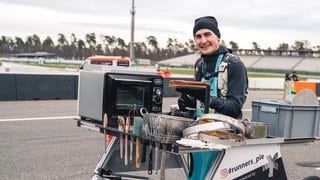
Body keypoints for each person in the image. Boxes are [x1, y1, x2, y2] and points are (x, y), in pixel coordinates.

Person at [177, 16, 248, 179]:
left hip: (226, 139)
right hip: (200, 136)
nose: (203, 40)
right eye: (198, 36)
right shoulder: (199, 64)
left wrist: (206, 97)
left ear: (218, 36)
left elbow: (235, 107)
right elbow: (199, 103)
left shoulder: (234, 65)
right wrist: (187, 100)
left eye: (207, 34)